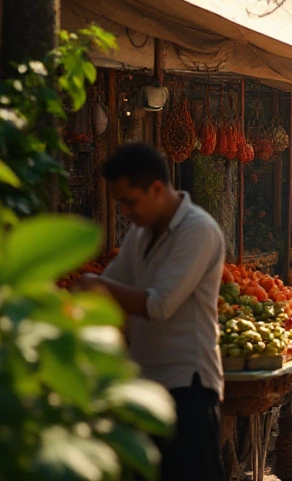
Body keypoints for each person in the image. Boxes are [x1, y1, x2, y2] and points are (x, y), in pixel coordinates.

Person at [77, 143, 226, 481]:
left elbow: (159, 304)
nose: (125, 211)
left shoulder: (198, 230)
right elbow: (111, 283)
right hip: (144, 383)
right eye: (120, 203)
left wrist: (96, 287)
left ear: (156, 189)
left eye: (129, 200)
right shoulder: (140, 233)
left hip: (188, 386)